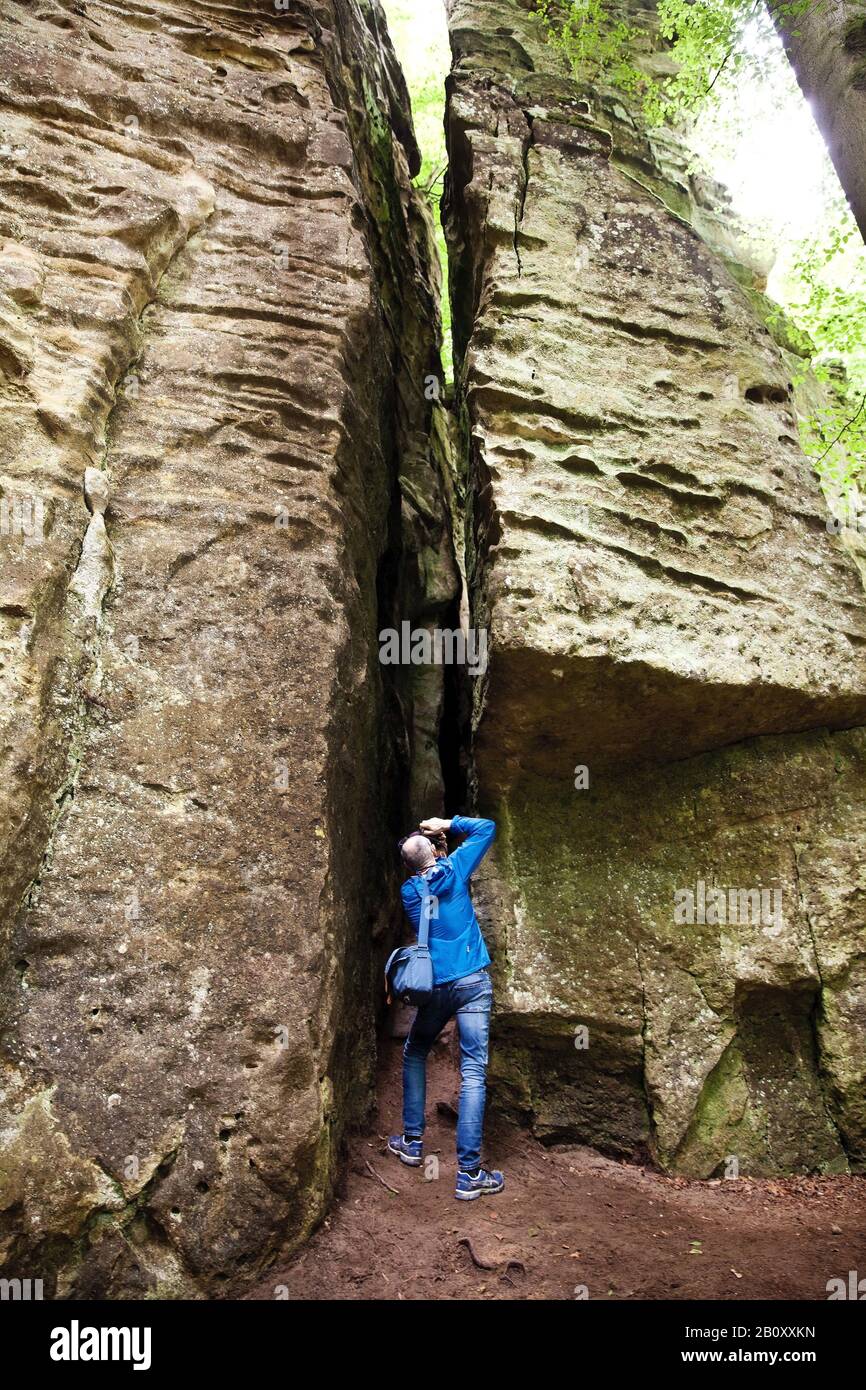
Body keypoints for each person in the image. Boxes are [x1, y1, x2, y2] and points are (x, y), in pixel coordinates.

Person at [388, 814, 504, 1201]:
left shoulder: (409, 892)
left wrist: (433, 848)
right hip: (472, 982)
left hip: (436, 987)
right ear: (438, 850)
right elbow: (486, 828)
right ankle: (469, 1174)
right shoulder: (454, 870)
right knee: (473, 1071)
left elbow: (425, 877)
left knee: (416, 1050)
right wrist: (447, 824)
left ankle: (412, 1141)